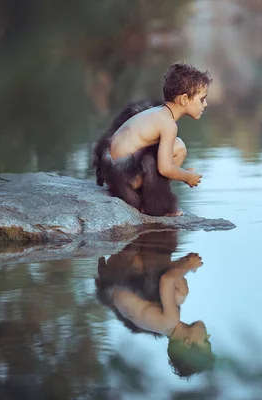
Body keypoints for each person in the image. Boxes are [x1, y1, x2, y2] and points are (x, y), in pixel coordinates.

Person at [92, 63, 213, 216]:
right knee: (179, 148)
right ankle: (154, 205)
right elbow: (165, 168)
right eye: (202, 99)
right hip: (123, 177)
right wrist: (186, 176)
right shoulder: (168, 123)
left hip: (113, 172)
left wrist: (181, 172)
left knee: (172, 148)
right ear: (183, 99)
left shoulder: (157, 112)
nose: (206, 104)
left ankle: (147, 197)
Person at [95, 230, 215, 378]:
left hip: (120, 275)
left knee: (178, 291)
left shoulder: (170, 321)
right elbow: (163, 281)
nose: (208, 335)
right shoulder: (163, 326)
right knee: (180, 294)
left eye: (205, 341)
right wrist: (182, 269)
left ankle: (148, 235)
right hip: (111, 282)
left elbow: (166, 279)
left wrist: (187, 266)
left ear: (188, 343)